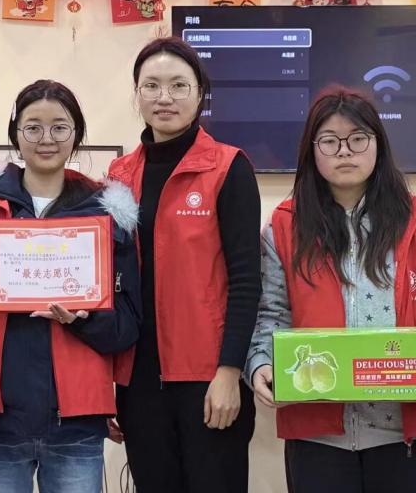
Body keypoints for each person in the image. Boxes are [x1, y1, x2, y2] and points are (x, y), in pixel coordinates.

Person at [247, 87, 416, 493]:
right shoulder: (284, 227)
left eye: (358, 138)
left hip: (405, 433)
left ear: (378, 145)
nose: (345, 151)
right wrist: (261, 363)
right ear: (312, 151)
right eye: (329, 141)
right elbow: (271, 312)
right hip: (317, 433)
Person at [0, 80, 141, 493]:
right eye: (33, 127)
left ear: (76, 134)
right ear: (15, 133)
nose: (46, 139)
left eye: (59, 127)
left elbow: (127, 328)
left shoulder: (105, 213)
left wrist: (82, 320)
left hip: (76, 420)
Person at [107, 37, 262, 493]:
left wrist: (230, 372)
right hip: (138, 382)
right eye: (151, 85)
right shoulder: (119, 176)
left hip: (208, 378)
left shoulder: (229, 168)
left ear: (200, 94)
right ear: (137, 94)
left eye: (179, 85)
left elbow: (246, 281)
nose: (165, 97)